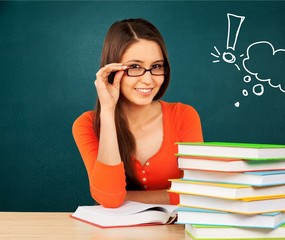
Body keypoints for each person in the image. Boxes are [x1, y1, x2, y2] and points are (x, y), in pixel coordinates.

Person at [72, 18, 203, 208]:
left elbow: (196, 192)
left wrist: (125, 198)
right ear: (112, 69)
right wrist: (108, 111)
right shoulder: (87, 124)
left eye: (156, 66)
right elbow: (109, 198)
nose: (148, 80)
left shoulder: (184, 116)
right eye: (134, 67)